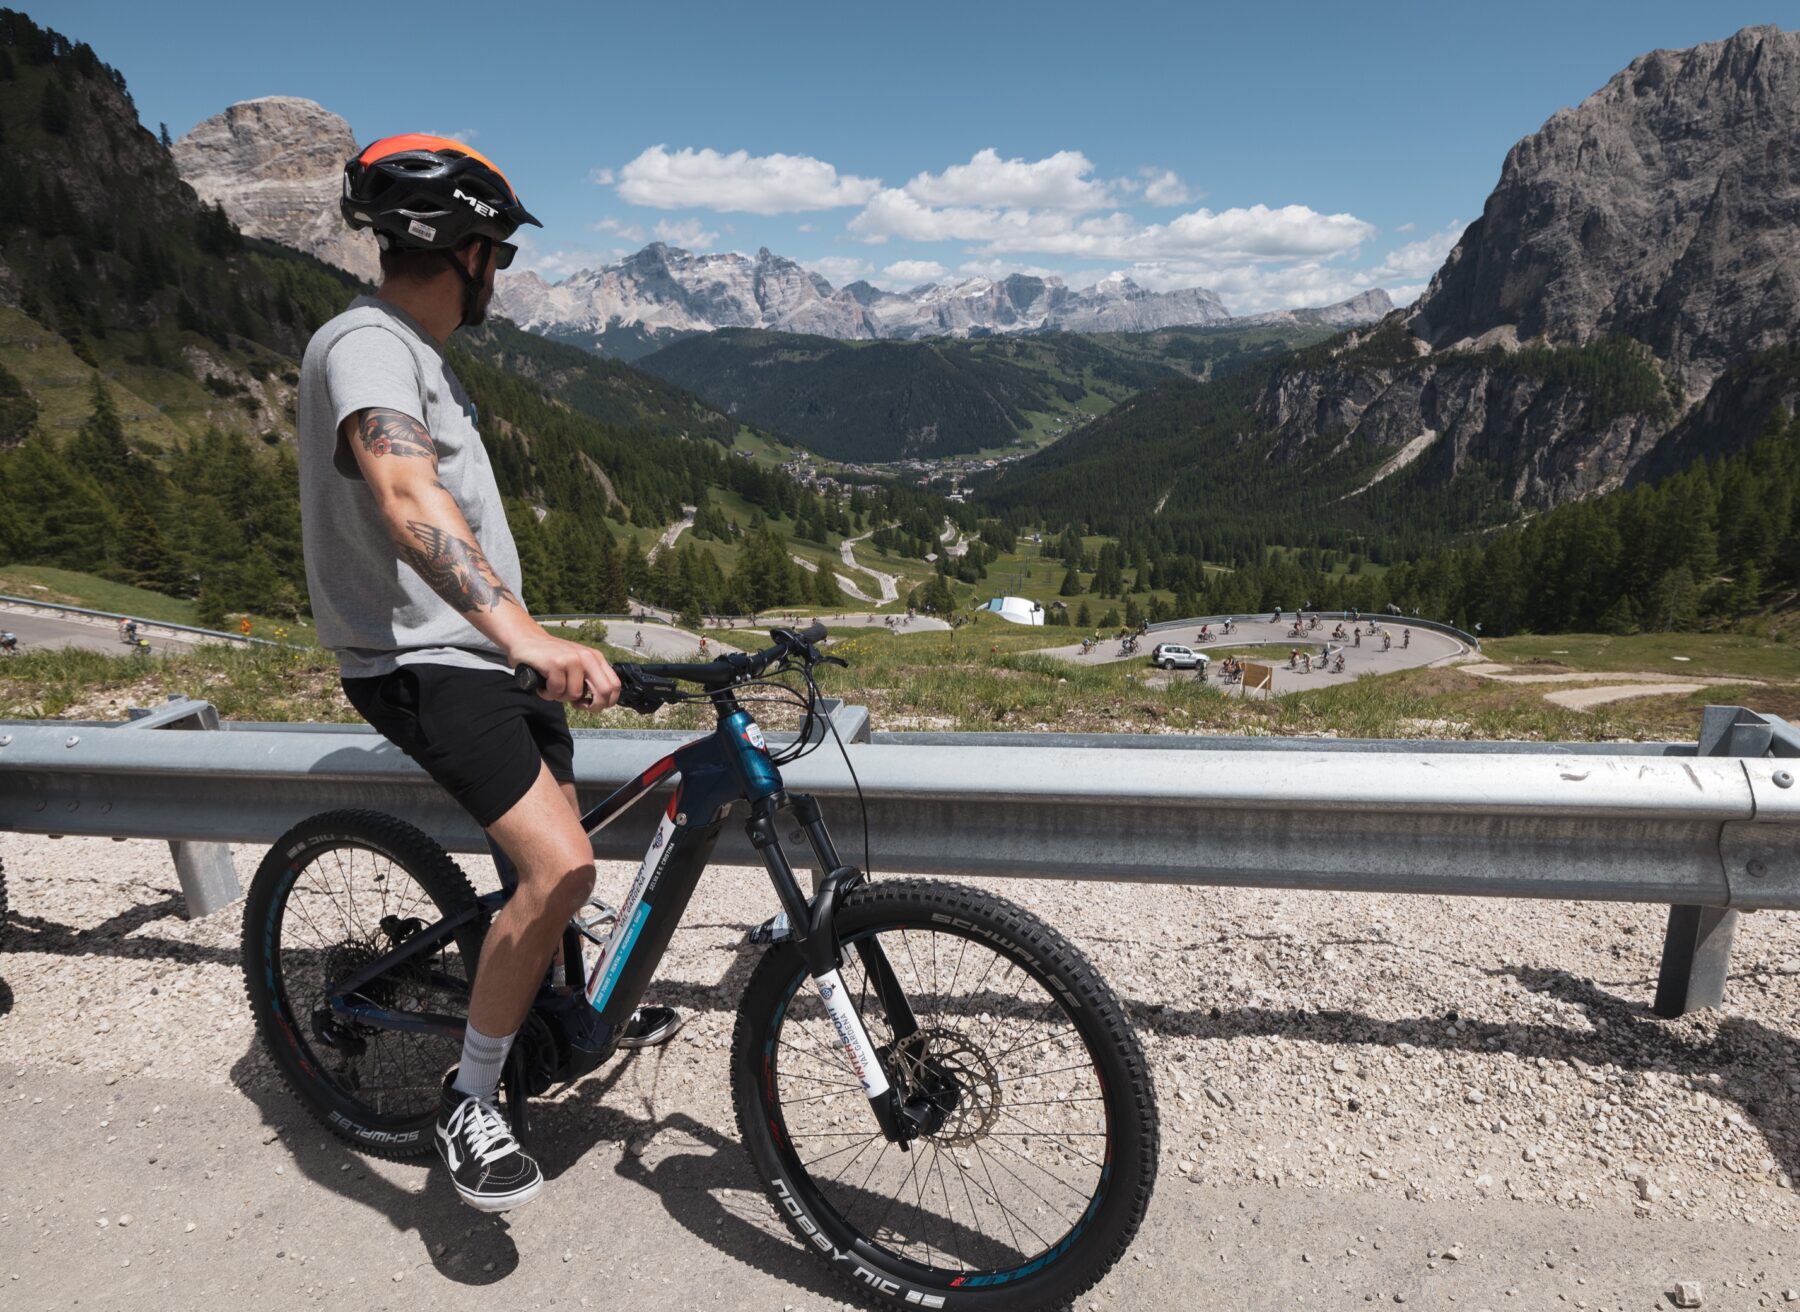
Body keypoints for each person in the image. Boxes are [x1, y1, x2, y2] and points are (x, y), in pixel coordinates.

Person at [297, 134, 677, 1214]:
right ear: (462, 249)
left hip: (481, 649)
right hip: (428, 659)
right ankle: (471, 1103)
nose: (499, 272)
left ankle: (548, 1021)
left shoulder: (412, 351)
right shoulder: (365, 345)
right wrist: (522, 636)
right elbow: (408, 497)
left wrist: (527, 639)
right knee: (560, 870)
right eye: (496, 251)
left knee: (561, 866)